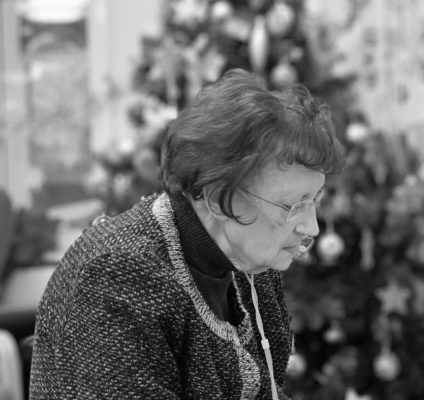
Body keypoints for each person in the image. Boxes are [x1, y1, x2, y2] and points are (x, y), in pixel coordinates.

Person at [29, 69, 345, 399]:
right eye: (291, 205)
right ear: (217, 197)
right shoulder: (118, 278)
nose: (312, 227)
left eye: (314, 200)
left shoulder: (251, 265)